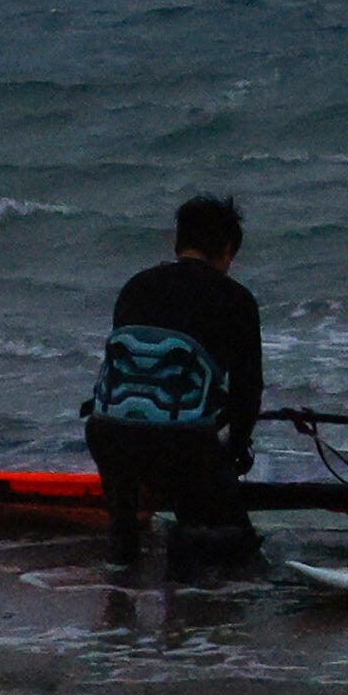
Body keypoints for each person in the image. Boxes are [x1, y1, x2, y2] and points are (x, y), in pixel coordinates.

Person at [83, 192, 262, 567]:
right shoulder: (235, 299)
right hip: (180, 444)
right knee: (237, 544)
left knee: (127, 539)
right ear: (228, 250)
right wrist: (233, 453)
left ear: (178, 241)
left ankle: (122, 578)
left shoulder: (136, 287)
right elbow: (248, 391)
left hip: (109, 434)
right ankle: (188, 572)